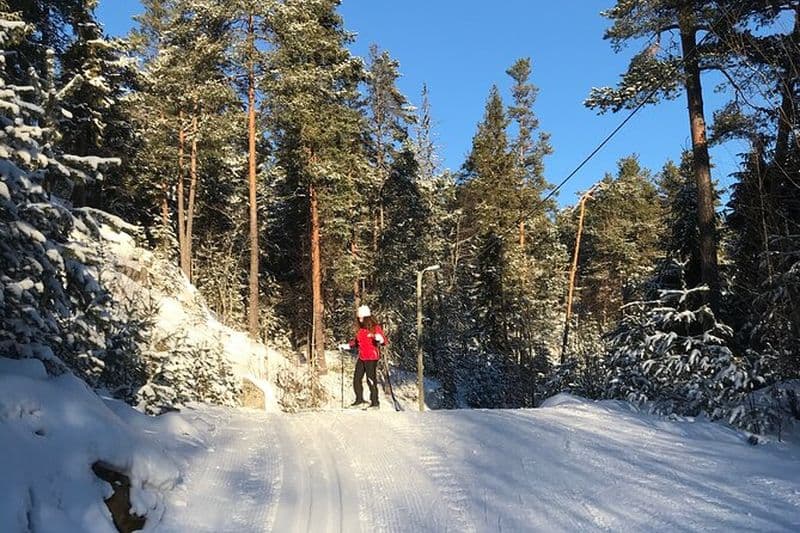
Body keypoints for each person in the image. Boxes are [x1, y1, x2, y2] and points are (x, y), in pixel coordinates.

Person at [338, 305, 386, 409]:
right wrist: (347, 346)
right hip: (362, 357)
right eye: (359, 318)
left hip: (372, 357)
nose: (359, 320)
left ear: (367, 317)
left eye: (361, 317)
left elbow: (383, 341)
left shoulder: (375, 327)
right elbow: (356, 342)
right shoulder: (361, 330)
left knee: (370, 379)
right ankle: (359, 400)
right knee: (356, 379)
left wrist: (379, 338)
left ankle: (375, 402)